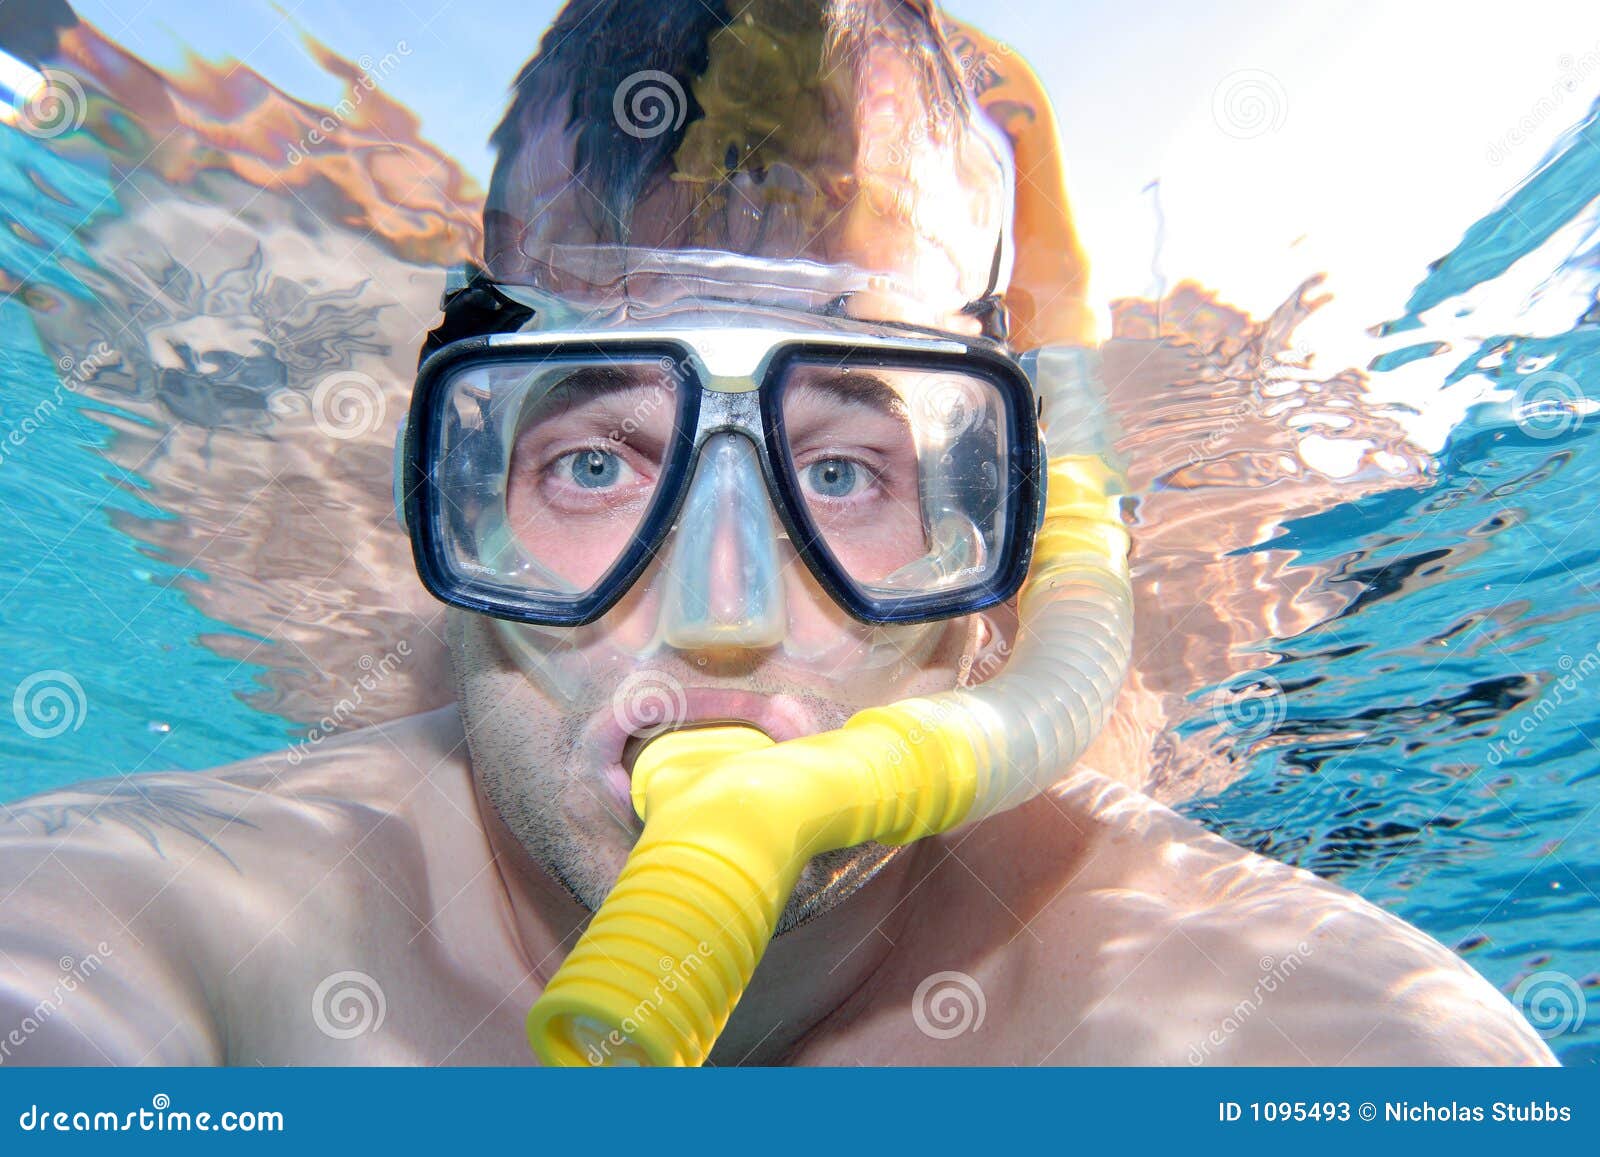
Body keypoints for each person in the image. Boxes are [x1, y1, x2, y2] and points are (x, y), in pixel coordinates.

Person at [0, 0, 1555, 1066]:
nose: (723, 612)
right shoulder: (187, 921)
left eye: (845, 470)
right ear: (461, 495)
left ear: (983, 561)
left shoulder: (1233, 998)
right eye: (597, 461)